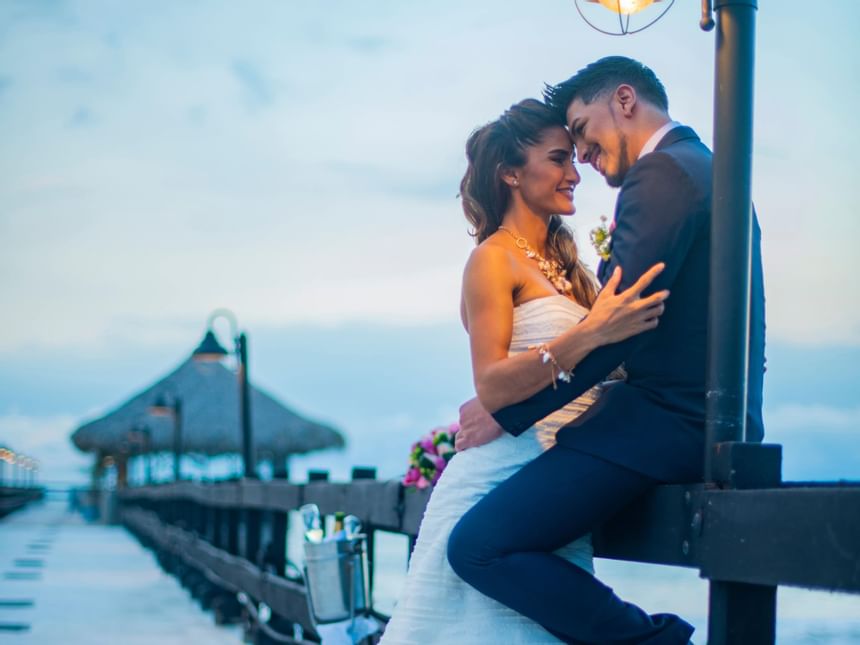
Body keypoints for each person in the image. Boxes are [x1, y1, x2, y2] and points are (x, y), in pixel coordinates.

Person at [447, 56, 766, 644]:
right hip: (707, 421)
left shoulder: (663, 175)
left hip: (665, 423)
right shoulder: (710, 171)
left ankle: (659, 641)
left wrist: (507, 408)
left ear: (624, 100)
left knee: (478, 546)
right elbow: (624, 325)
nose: (583, 158)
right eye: (565, 151)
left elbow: (612, 325)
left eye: (581, 132)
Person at [380, 98, 668, 644]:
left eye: (573, 158)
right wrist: (591, 331)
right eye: (558, 159)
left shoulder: (570, 267)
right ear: (511, 173)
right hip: (497, 480)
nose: (574, 172)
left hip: (556, 480)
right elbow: (490, 383)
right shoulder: (492, 259)